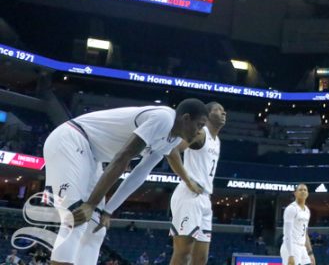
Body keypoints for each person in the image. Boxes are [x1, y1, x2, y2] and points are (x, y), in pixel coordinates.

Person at [42, 100, 209, 265]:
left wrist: (108, 210)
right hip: (71, 139)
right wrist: (91, 204)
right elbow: (123, 157)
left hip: (92, 157)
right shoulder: (164, 118)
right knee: (75, 218)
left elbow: (139, 174)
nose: (199, 132)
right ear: (186, 118)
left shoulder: (171, 139)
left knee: (96, 229)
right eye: (199, 125)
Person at [169, 102, 227, 265]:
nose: (223, 113)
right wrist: (188, 181)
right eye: (218, 110)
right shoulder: (201, 133)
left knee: (201, 258)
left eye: (224, 111)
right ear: (207, 115)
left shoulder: (217, 141)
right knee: (183, 253)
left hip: (204, 199)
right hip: (189, 196)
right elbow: (172, 150)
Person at [281, 184, 315, 265]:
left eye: (305, 190)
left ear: (307, 194)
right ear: (295, 193)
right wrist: (290, 254)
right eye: (300, 190)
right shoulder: (291, 209)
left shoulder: (307, 210)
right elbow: (287, 233)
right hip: (291, 246)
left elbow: (305, 233)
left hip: (302, 247)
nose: (303, 191)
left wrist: (310, 253)